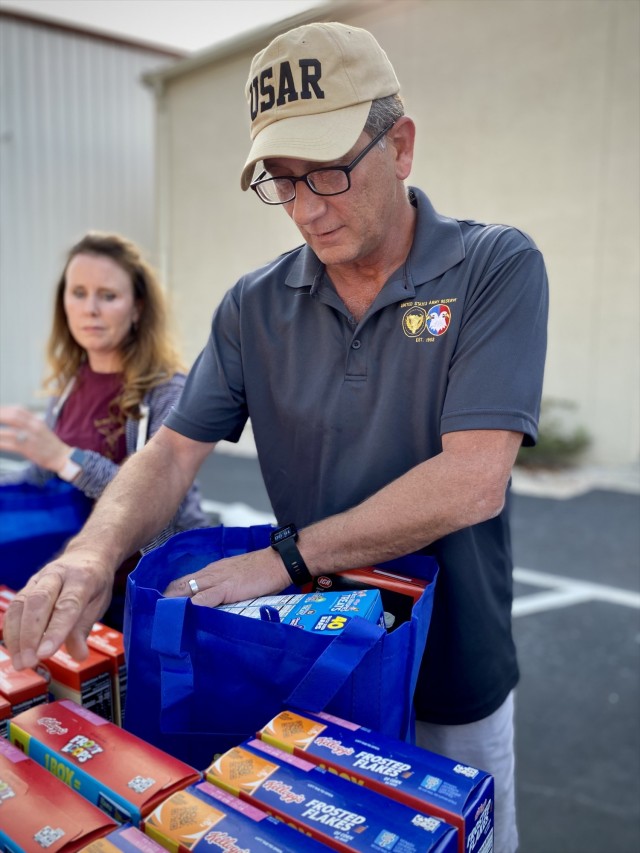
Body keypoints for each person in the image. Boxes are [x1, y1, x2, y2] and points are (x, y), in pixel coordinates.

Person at [4, 24, 548, 853]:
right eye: (282, 181)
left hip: (452, 672)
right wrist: (90, 553)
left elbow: (473, 477)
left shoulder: (493, 266)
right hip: (314, 666)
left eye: (329, 169)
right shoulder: (254, 305)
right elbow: (172, 451)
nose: (307, 207)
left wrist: (284, 558)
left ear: (400, 145)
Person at [0, 231, 207, 628]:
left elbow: (160, 519)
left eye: (107, 296)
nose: (90, 309)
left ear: (137, 308)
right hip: (82, 585)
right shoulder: (68, 386)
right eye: (78, 292)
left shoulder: (167, 392)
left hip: (151, 593)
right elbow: (46, 477)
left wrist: (64, 456)